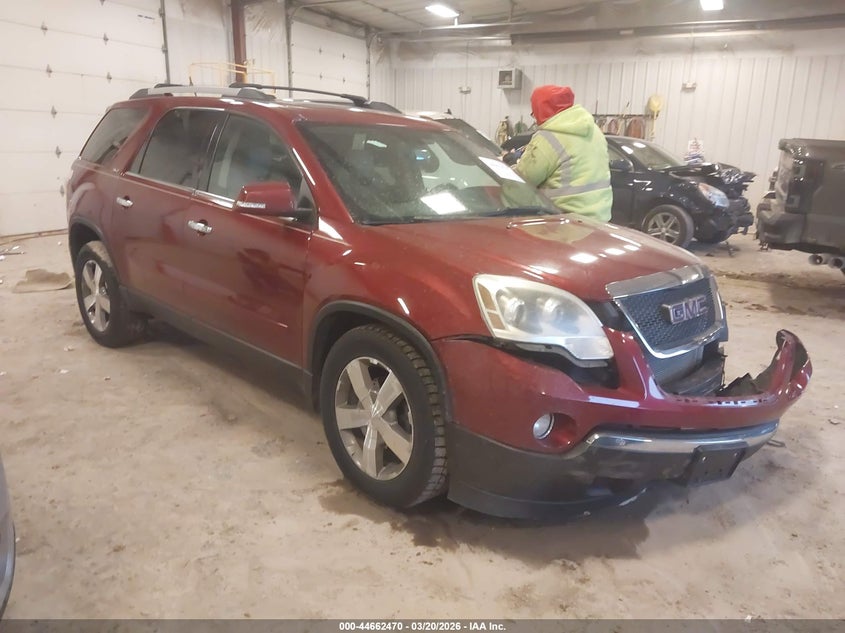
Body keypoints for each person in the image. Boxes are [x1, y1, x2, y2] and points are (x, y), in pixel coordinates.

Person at [513, 85, 612, 222]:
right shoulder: (594, 131)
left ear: (542, 109)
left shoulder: (547, 138)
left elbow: (523, 180)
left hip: (563, 222)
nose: (535, 119)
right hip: (600, 219)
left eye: (534, 113)